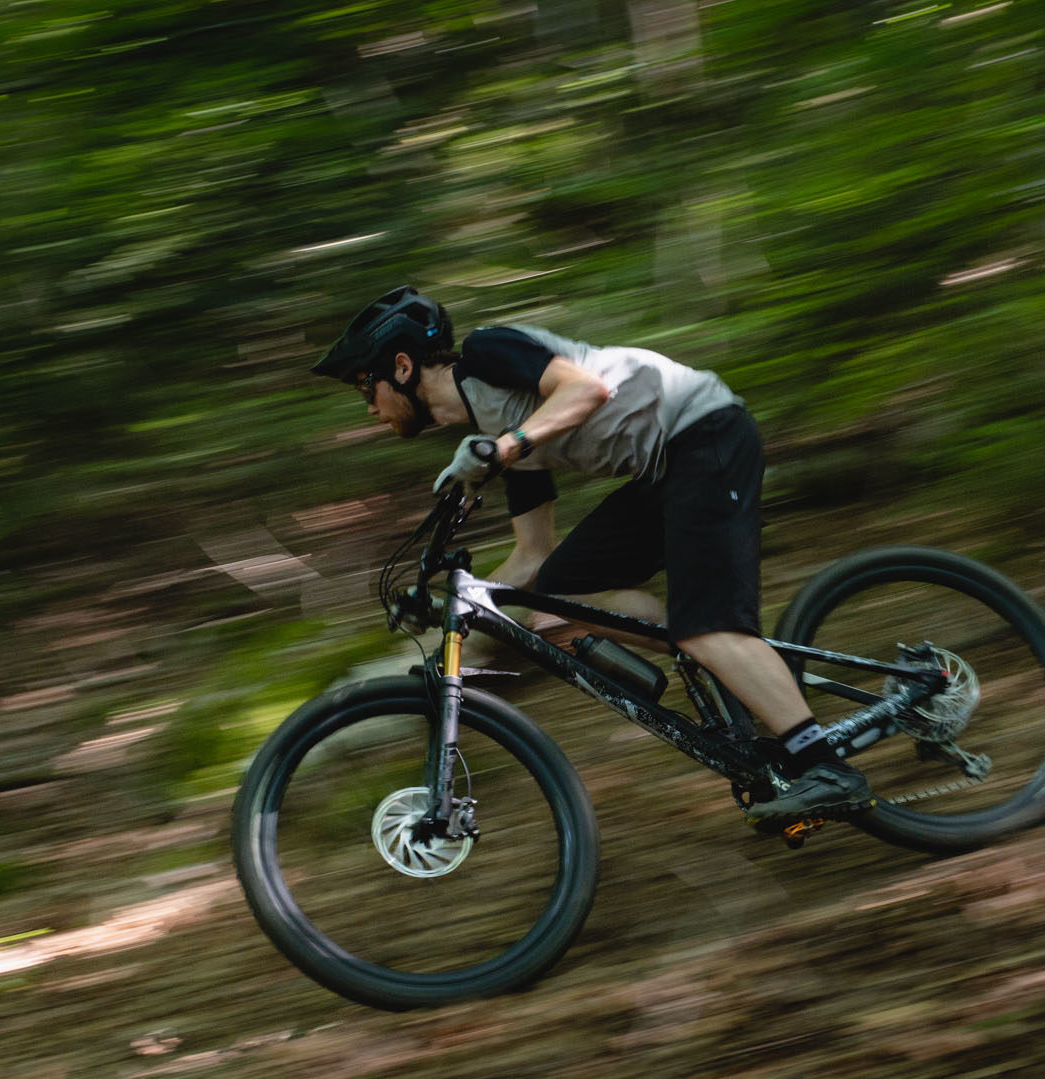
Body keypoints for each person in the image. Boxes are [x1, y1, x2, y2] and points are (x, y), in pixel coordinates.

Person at [311, 286, 870, 823]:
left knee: (707, 626)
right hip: (664, 469)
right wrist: (447, 609)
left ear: (402, 367)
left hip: (705, 434)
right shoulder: (496, 427)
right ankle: (721, 654)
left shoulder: (487, 353)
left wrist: (504, 449)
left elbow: (585, 390)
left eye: (366, 387)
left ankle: (826, 767)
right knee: (558, 595)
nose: (369, 408)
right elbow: (532, 559)